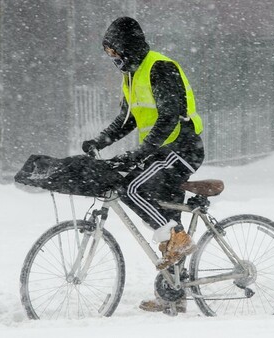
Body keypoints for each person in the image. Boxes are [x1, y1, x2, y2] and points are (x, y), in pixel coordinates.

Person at [82, 17, 204, 312]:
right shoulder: (133, 75)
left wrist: (139, 153)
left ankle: (179, 240)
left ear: (128, 47)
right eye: (109, 53)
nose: (114, 58)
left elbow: (168, 117)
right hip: (162, 152)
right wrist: (100, 141)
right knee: (165, 213)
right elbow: (128, 119)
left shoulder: (160, 68)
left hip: (182, 148)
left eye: (115, 52)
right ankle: (173, 295)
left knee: (131, 188)